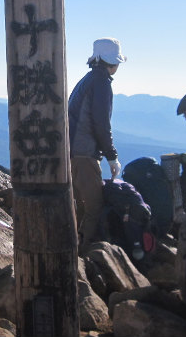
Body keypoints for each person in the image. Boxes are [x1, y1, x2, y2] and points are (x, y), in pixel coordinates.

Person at [68, 37, 126, 254]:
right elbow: (101, 123)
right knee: (94, 206)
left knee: (78, 204)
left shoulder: (87, 79)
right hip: (85, 153)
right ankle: (81, 255)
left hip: (71, 150)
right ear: (112, 62)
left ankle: (73, 244)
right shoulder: (102, 83)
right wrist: (112, 156)